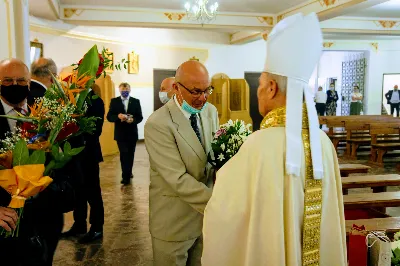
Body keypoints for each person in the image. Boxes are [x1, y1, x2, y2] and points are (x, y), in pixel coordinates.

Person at [202, 13, 347, 266]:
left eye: (260, 84)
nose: (257, 90)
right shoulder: (324, 144)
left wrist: (221, 175)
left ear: (271, 88)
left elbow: (226, 214)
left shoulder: (259, 145)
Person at [144, 60, 219, 266]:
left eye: (207, 90)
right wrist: (219, 203)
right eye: (195, 92)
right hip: (173, 221)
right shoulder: (158, 124)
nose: (202, 98)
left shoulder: (210, 111)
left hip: (204, 220)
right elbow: (177, 178)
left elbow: (213, 158)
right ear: (176, 88)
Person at [62, 84, 105, 243]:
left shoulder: (96, 102)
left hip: (89, 153)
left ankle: (97, 228)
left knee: (93, 192)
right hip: (73, 153)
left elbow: (96, 130)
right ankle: (79, 224)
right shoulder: (71, 102)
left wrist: (77, 124)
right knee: (77, 192)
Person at [107, 82, 143, 185]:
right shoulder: (114, 101)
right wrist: (118, 116)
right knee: (124, 154)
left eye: (126, 90)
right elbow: (109, 117)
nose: (125, 92)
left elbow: (139, 117)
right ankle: (125, 176)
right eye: (123, 90)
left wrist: (133, 120)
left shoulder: (135, 102)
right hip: (120, 134)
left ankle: (128, 171)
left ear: (130, 90)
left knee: (130, 154)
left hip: (132, 133)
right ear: (119, 90)